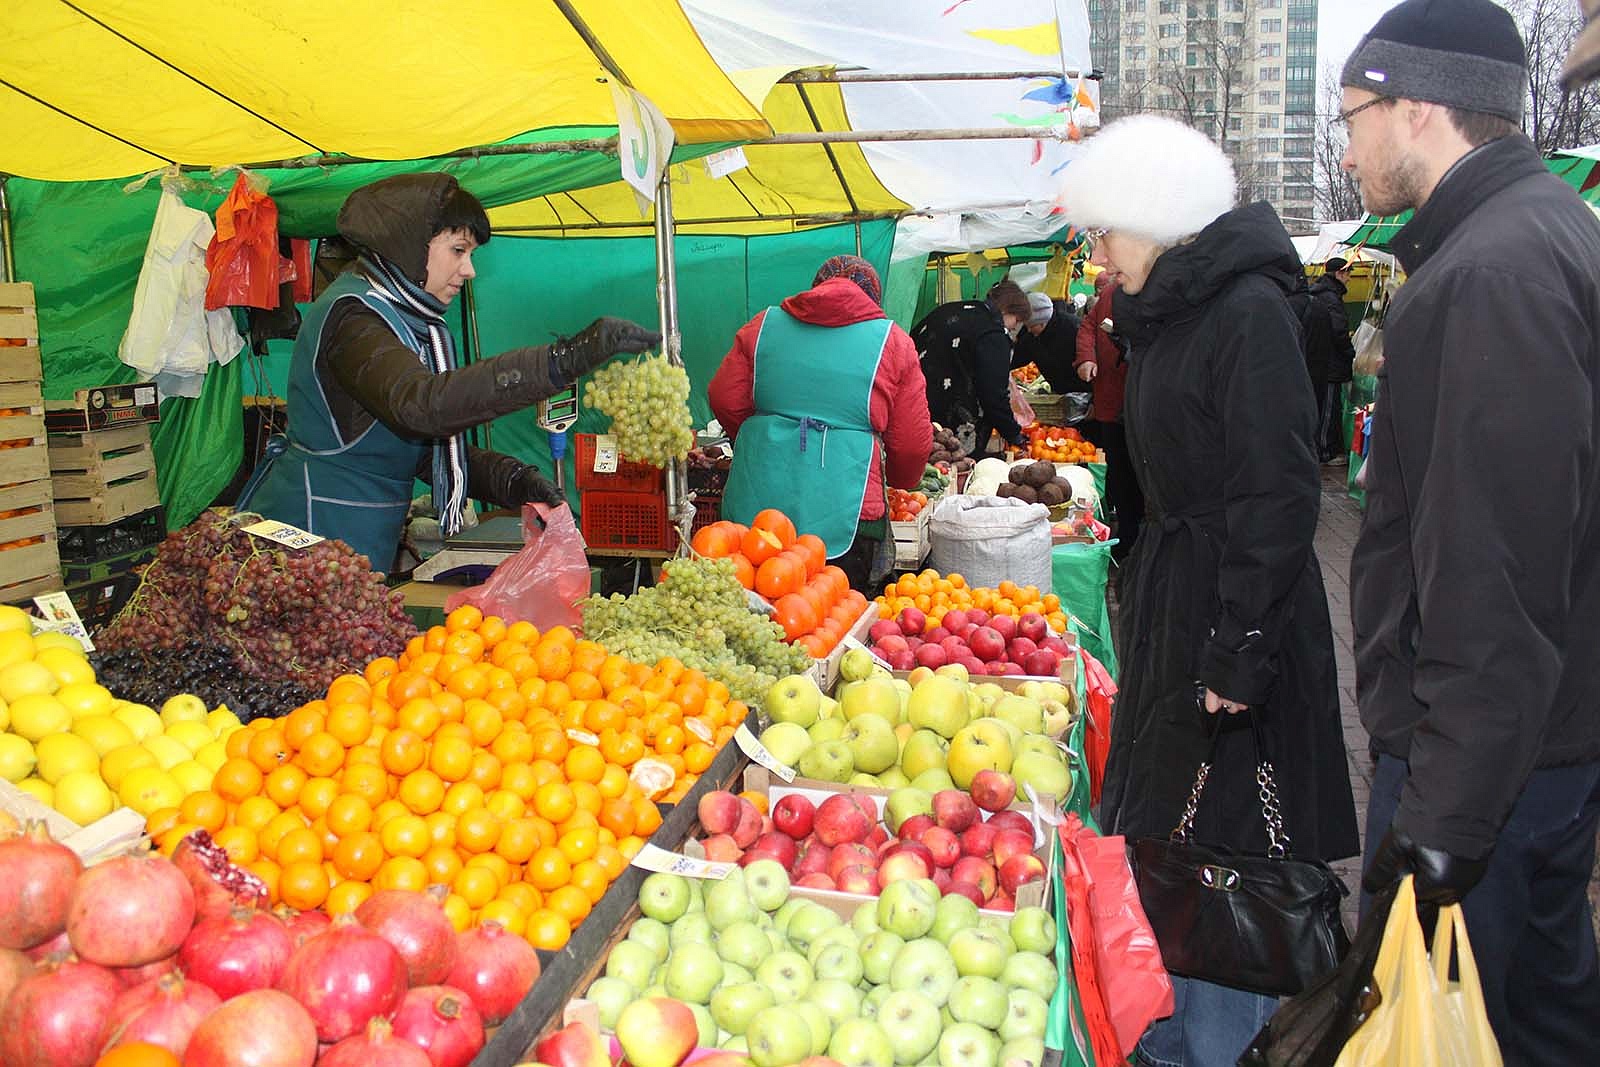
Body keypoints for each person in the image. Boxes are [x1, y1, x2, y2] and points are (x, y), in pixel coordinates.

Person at [1058, 114, 1358, 1067]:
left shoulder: (1246, 314)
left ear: (1152, 218)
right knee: (1169, 826)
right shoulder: (1177, 314)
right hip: (1185, 598)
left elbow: (1276, 493)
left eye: (1104, 230)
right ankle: (1172, 1026)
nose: (1096, 253)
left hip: (1237, 615)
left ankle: (1220, 1041)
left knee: (1228, 839)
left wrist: (1237, 650)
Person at [1339, 1, 1600, 1059]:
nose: (1348, 145)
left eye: (1354, 115)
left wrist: (1443, 814)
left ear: (1418, 109)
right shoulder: (1544, 231)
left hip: (1484, 765)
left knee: (1462, 1027)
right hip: (1540, 745)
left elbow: (1492, 570)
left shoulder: (1488, 273)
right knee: (1540, 1017)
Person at [236, 174, 658, 571]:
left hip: (355, 536)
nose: (469, 269)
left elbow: (416, 449)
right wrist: (561, 360)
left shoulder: (405, 320)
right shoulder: (354, 317)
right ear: (409, 246)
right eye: (459, 250)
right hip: (310, 536)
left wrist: (512, 480)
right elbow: (423, 407)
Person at [709, 255, 930, 591]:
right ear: (872, 297)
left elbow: (724, 396)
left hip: (759, 498)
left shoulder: (763, 326)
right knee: (835, 614)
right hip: (849, 506)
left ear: (816, 288)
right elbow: (911, 443)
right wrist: (901, 480)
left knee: (754, 603)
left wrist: (761, 438)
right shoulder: (893, 342)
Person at [910, 280, 1033, 457]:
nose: (1014, 327)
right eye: (1017, 320)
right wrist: (1014, 434)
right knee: (957, 468)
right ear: (1007, 310)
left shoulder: (950, 310)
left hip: (917, 407)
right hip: (954, 421)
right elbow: (993, 393)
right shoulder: (992, 333)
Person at [1074, 270, 1142, 566]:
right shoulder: (1114, 293)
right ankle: (1127, 539)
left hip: (1145, 404)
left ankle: (1140, 542)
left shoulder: (1163, 289)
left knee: (1143, 475)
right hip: (1114, 402)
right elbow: (1089, 325)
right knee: (1120, 468)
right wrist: (1087, 357)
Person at [1303, 257, 1356, 465]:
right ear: (1339, 274)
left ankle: (1322, 448)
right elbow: (1338, 330)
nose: (1350, 278)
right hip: (1331, 363)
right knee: (1328, 409)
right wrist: (1350, 351)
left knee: (1323, 405)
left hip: (1319, 359)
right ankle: (1324, 451)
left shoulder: (1318, 292)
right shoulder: (1331, 297)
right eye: (1348, 273)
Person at [1011, 290, 1080, 394]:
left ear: (1042, 323)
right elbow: (1017, 357)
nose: (1029, 330)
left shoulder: (1073, 328)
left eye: (1031, 326)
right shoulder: (1032, 338)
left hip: (1084, 391)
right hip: (1060, 393)